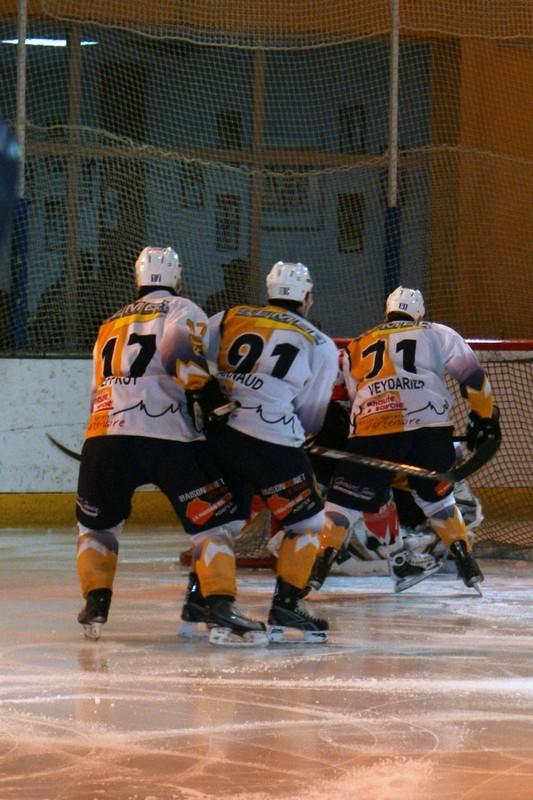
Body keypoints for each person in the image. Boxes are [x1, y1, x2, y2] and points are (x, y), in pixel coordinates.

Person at [75, 246, 267, 645]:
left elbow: (96, 389)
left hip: (104, 436)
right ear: (176, 277)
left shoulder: (110, 322)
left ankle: (95, 604)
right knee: (213, 524)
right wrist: (213, 398)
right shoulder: (182, 308)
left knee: (96, 527)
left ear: (138, 278)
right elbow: (182, 359)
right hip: (166, 436)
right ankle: (219, 607)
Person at [309, 286, 500, 594]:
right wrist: (486, 418)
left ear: (387, 312)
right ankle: (466, 560)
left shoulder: (359, 343)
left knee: (343, 501)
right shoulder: (437, 332)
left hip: (373, 430)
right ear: (420, 313)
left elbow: (348, 392)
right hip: (431, 428)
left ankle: (321, 562)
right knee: (437, 498)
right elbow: (474, 379)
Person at [192, 261, 339, 642]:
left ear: (270, 291)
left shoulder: (229, 317)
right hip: (272, 442)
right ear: (306, 298)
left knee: (222, 522)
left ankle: (199, 602)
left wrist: (205, 397)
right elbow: (310, 418)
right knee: (307, 524)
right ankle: (286, 608)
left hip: (221, 436)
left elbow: (188, 352)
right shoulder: (319, 342)